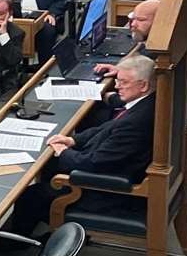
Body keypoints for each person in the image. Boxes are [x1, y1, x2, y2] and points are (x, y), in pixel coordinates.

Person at [9, 55, 157, 233]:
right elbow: (107, 128)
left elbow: (91, 164)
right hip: (111, 166)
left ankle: (13, 244)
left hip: (109, 192)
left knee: (30, 196)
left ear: (143, 85)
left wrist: (63, 152)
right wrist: (73, 140)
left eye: (123, 82)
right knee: (47, 166)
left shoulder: (135, 123)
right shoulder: (146, 103)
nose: (117, 86)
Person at [93, 0, 157, 75]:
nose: (133, 24)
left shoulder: (156, 50)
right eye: (133, 19)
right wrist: (118, 68)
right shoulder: (147, 41)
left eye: (141, 20)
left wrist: (119, 70)